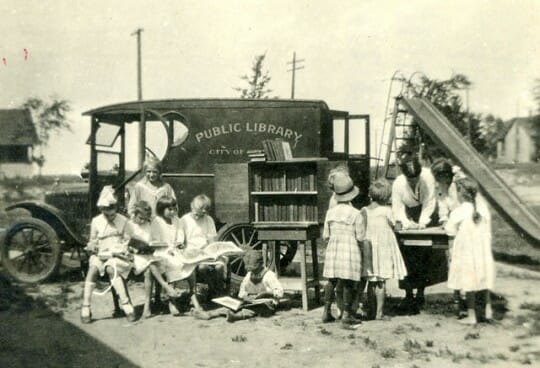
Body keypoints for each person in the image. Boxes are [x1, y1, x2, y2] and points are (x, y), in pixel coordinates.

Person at [391, 151, 444, 312]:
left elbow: (430, 202)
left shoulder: (427, 177)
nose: (413, 181)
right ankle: (408, 293)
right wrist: (407, 224)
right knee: (407, 254)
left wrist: (422, 223)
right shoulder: (399, 183)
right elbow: (397, 208)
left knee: (425, 255)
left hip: (425, 215)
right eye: (410, 179)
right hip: (408, 215)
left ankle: (421, 292)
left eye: (415, 178)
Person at [81, 185, 135, 324]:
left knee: (112, 269)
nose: (110, 217)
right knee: (93, 269)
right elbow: (92, 241)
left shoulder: (123, 221)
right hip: (101, 254)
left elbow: (128, 240)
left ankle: (125, 303)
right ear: (101, 210)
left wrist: (119, 250)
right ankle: (86, 306)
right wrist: (93, 247)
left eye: (112, 213)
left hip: (118, 255)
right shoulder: (96, 221)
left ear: (116, 208)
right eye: (106, 214)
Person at [444, 177, 495, 325]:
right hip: (482, 251)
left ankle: (471, 316)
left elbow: (449, 230)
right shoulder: (482, 210)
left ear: (461, 193)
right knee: (483, 277)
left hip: (466, 252)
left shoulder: (458, 212)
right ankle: (488, 309)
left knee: (468, 281)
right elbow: (487, 232)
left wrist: (452, 253)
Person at [321, 172, 365, 328]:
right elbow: (360, 237)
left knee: (331, 280)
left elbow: (325, 235)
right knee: (347, 281)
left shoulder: (330, 213)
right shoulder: (356, 214)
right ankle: (347, 314)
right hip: (349, 249)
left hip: (333, 249)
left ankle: (326, 311)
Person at [192, 250, 284, 322]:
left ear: (260, 264)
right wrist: (244, 296)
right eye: (248, 266)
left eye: (253, 266)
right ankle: (210, 314)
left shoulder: (269, 275)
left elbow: (279, 292)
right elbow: (242, 289)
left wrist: (265, 294)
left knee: (254, 310)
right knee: (234, 306)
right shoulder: (249, 275)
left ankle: (236, 316)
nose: (250, 269)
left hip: (266, 303)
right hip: (250, 300)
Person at [362, 179, 408, 320]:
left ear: (370, 196)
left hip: (369, 248)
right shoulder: (387, 210)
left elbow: (362, 228)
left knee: (372, 280)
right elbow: (397, 226)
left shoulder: (364, 210)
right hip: (383, 249)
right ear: (386, 198)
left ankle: (370, 309)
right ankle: (379, 313)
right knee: (381, 281)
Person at [127, 200, 182, 318]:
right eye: (140, 218)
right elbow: (124, 242)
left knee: (153, 264)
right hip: (134, 257)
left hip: (148, 255)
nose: (142, 221)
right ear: (134, 214)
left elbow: (152, 240)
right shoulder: (129, 225)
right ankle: (166, 288)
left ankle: (148, 308)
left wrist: (154, 245)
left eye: (145, 219)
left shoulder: (149, 224)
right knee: (151, 265)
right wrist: (131, 249)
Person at [150, 195, 201, 315]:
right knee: (173, 264)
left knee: (189, 263)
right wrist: (168, 247)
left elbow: (180, 236)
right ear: (161, 209)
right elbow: (154, 241)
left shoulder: (177, 220)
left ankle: (193, 296)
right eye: (169, 209)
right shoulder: (156, 222)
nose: (172, 211)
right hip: (162, 251)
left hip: (175, 250)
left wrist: (179, 244)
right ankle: (171, 300)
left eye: (174, 208)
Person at [179, 194, 225, 299]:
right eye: (198, 210)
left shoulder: (208, 220)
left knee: (219, 266)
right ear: (192, 206)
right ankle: (212, 290)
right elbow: (181, 241)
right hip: (190, 252)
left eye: (204, 210)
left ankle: (218, 291)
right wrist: (183, 247)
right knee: (202, 268)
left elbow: (212, 240)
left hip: (205, 252)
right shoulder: (184, 220)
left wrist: (212, 251)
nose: (199, 215)